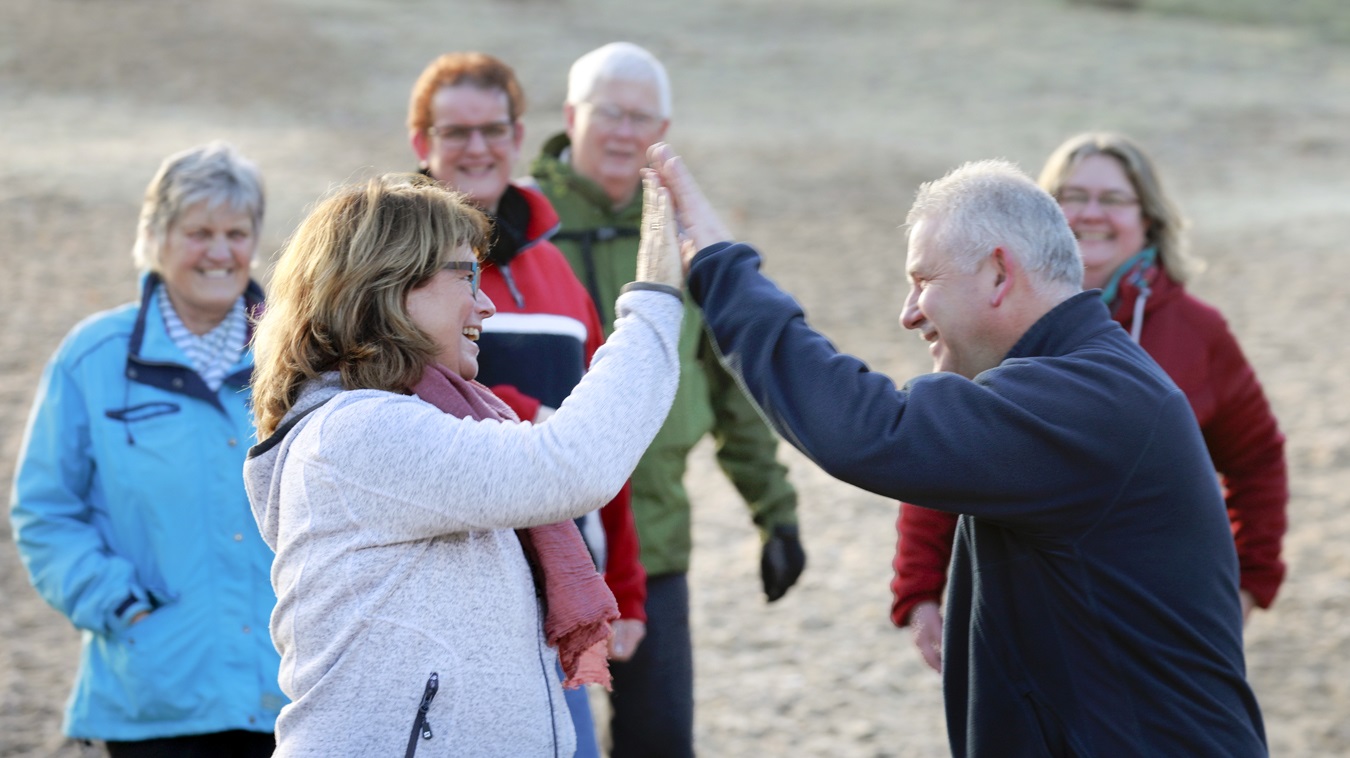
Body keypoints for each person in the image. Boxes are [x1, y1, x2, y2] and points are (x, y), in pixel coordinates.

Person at [651, 144, 1267, 755]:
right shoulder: (1077, 376)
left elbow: (872, 431)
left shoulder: (1088, 400)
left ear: (1000, 274)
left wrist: (722, 269)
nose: (908, 314)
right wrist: (919, 585)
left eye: (923, 282)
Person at [243, 173, 684, 756]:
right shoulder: (354, 434)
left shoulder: (416, 424)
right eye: (464, 275)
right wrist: (655, 298)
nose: (486, 303)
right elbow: (573, 466)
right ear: (388, 285)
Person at [892, 131, 1288, 673]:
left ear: (1148, 217)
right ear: (1042, 220)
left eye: (1114, 199)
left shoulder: (1199, 333)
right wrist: (920, 590)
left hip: (1153, 621)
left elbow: (1258, 461)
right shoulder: (996, 321)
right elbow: (939, 451)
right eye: (1072, 197)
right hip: (1021, 607)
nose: (1090, 214)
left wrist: (1249, 584)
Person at [531, 42, 805, 756]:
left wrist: (774, 513)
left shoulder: (682, 232)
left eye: (642, 119)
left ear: (665, 127)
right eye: (609, 114)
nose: (625, 133)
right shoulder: (520, 222)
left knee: (659, 740)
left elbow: (733, 387)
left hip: (656, 544)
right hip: (535, 540)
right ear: (570, 116)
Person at [406, 51, 647, 754]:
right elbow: (387, 395)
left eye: (492, 129)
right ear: (421, 142)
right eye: (455, 131)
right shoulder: (388, 271)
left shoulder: (558, 274)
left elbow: (604, 439)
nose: (476, 147)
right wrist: (528, 424)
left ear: (518, 138)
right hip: (452, 595)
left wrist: (624, 587)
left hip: (560, 593)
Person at [10, 142, 283, 756]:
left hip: (288, 691)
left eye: (236, 232)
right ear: (156, 238)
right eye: (199, 231)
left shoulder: (296, 358)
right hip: (154, 693)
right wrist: (119, 604)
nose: (220, 251)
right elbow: (44, 512)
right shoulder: (93, 358)